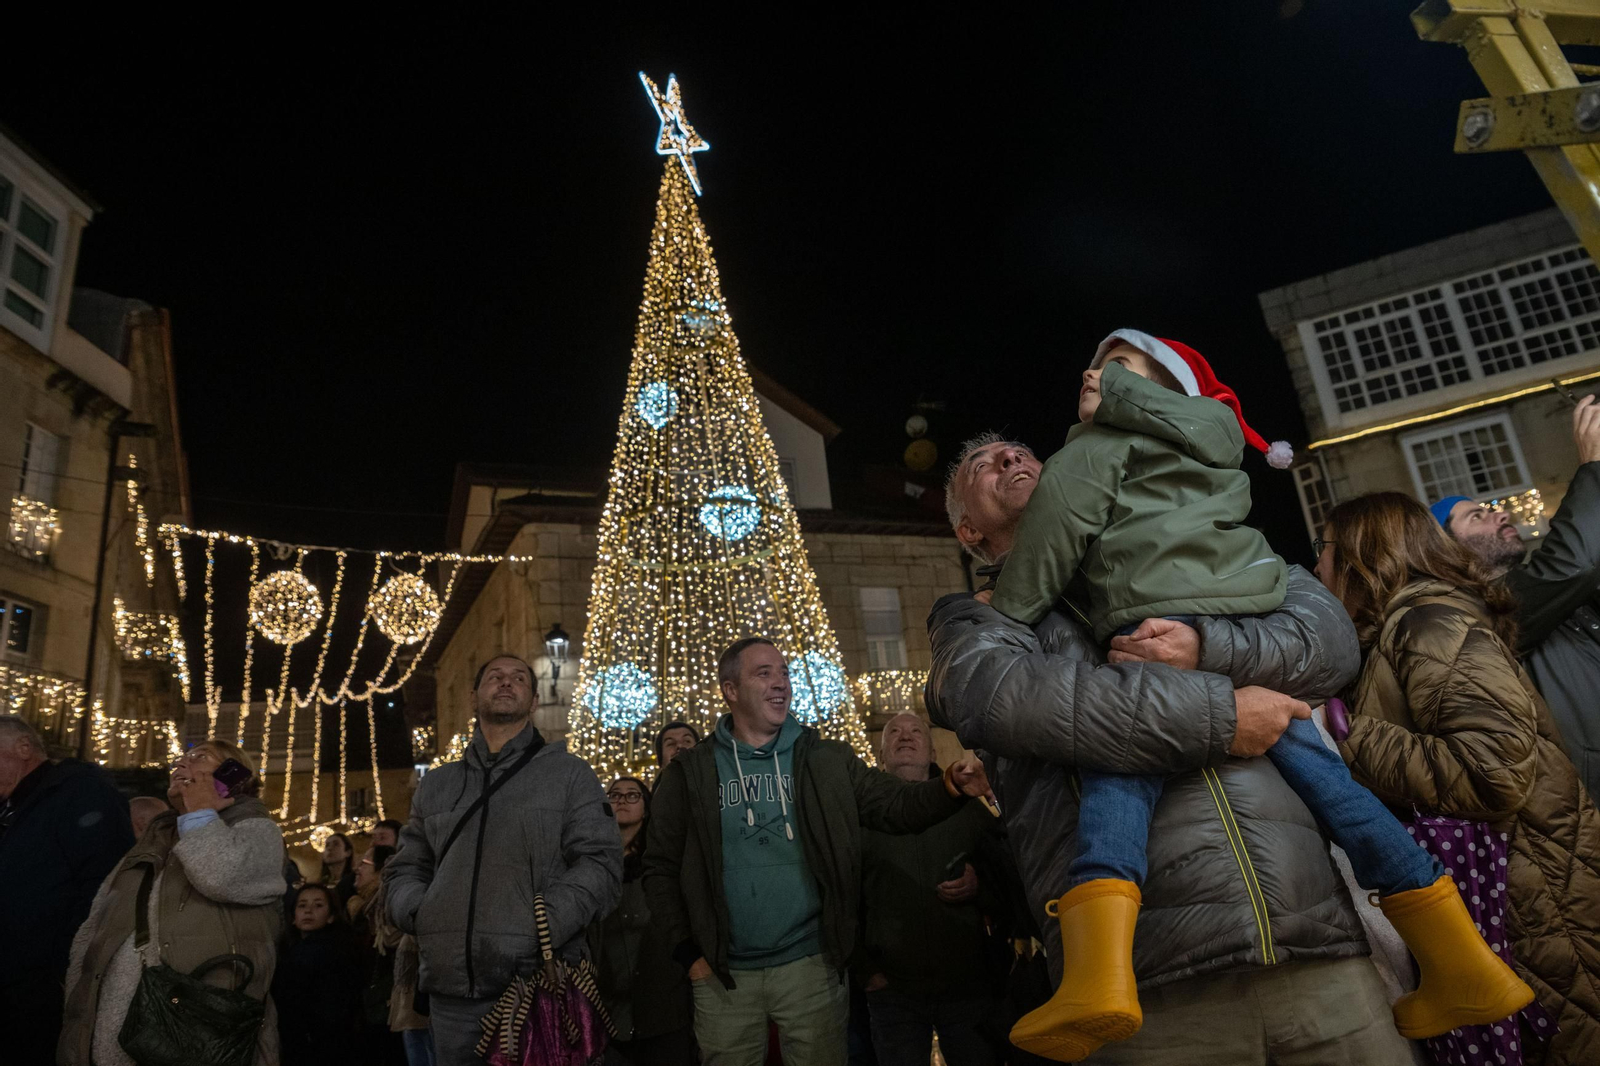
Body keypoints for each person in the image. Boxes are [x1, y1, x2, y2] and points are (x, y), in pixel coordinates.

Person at [980, 332, 1522, 1057]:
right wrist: (1231, 679)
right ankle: (1460, 958)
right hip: (1248, 616)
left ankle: (1098, 977)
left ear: (1152, 391)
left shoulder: (1091, 456)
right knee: (1338, 789)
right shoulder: (1210, 452)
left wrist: (1016, 608)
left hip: (1156, 634)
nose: (1091, 372)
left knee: (1119, 780)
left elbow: (1053, 539)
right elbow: (994, 695)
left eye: (1114, 366)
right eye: (985, 466)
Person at [929, 431, 1422, 1066]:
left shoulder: (1187, 541)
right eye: (981, 462)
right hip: (1145, 990)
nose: (1010, 458)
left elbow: (1326, 639)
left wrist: (1203, 647)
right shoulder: (979, 618)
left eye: (1022, 451)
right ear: (969, 533)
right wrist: (1222, 716)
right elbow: (1000, 696)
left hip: (1315, 947)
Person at [1316, 492, 1600, 1065]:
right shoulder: (1404, 628)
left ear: (1360, 556)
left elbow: (1493, 772)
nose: (1315, 566)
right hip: (1518, 887)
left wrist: (1348, 737)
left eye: (1323, 549)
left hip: (1527, 891)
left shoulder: (1429, 622)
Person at [644, 636, 994, 1066]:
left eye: (785, 673)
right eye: (764, 673)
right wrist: (689, 955)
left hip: (811, 966)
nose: (781, 684)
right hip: (722, 973)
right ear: (730, 690)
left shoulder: (825, 759)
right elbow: (658, 869)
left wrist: (950, 786)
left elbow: (894, 805)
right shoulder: (689, 772)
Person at [384, 654, 622, 1064]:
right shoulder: (437, 785)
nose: (506, 682)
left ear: (532, 702)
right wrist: (422, 912)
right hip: (450, 994)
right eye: (495, 676)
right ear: (474, 699)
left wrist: (545, 921)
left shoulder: (570, 775)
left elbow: (600, 863)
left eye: (519, 678)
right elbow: (407, 866)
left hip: (535, 987)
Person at [60, 739, 286, 1066]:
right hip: (110, 1034)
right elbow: (95, 929)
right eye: (181, 759)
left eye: (199, 758)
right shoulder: (156, 838)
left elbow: (223, 876)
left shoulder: (255, 827)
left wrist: (200, 813)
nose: (181, 764)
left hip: (194, 1034)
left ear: (232, 775)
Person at [1431, 391, 1600, 800]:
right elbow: (1574, 562)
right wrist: (1592, 466)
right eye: (1477, 516)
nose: (1501, 512)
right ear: (1448, 550)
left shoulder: (1537, 586)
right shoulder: (1480, 613)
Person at [857, 713, 1001, 1066]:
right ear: (879, 754)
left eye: (915, 731)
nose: (905, 736)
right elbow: (842, 894)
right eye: (894, 732)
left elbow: (1005, 873)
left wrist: (978, 885)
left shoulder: (968, 809)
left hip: (966, 985)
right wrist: (864, 970)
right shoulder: (859, 817)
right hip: (892, 989)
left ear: (933, 750)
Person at [0, 714, 134, 1066]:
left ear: (23, 748)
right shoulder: (13, 808)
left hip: (44, 989)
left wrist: (62, 966)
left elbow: (104, 881)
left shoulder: (79, 791)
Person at [593, 775, 694, 1065]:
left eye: (632, 795)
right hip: (607, 1003)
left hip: (659, 1001)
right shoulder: (594, 861)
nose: (622, 800)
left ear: (647, 808)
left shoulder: (660, 862)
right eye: (614, 795)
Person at [276, 882, 364, 1064]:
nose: (308, 911)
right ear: (293, 916)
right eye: (302, 905)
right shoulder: (295, 950)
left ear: (331, 916)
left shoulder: (327, 952)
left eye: (318, 905)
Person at [323, 831, 357, 905]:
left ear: (348, 852)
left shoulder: (354, 882)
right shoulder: (321, 883)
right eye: (327, 845)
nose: (329, 848)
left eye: (336, 844)